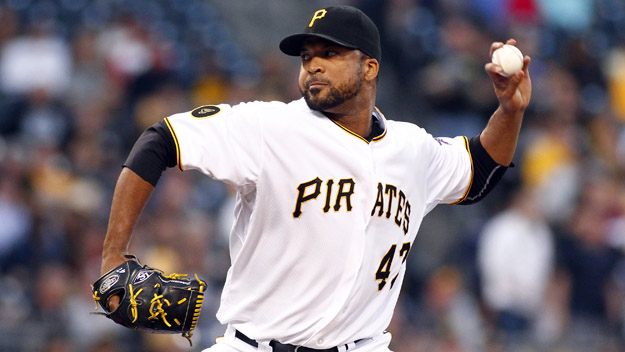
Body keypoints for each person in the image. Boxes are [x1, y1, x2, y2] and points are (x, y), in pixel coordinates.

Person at [97, 5, 531, 352]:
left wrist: (509, 111)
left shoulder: (412, 148)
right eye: (308, 57)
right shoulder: (270, 126)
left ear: (370, 68)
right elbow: (160, 141)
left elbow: (482, 169)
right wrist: (113, 255)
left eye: (330, 54)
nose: (314, 66)